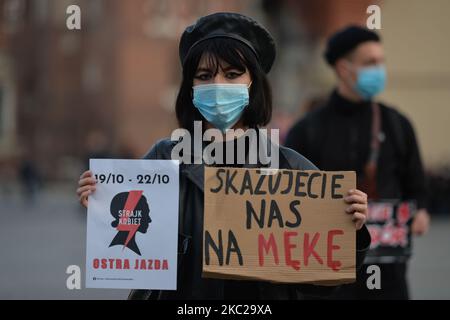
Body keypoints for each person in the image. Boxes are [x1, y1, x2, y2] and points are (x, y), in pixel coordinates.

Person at [77, 13, 370, 300]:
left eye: (232, 74)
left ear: (253, 82)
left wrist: (351, 228)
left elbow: (323, 283)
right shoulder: (164, 159)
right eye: (204, 75)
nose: (217, 85)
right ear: (190, 88)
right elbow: (130, 241)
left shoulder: (289, 166)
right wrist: (102, 201)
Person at [285, 25, 430, 300]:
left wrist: (420, 211)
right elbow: (287, 193)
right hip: (327, 273)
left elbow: (417, 185)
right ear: (343, 68)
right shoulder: (308, 129)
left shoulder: (397, 124)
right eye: (370, 63)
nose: (379, 69)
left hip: (388, 273)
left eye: (381, 61)